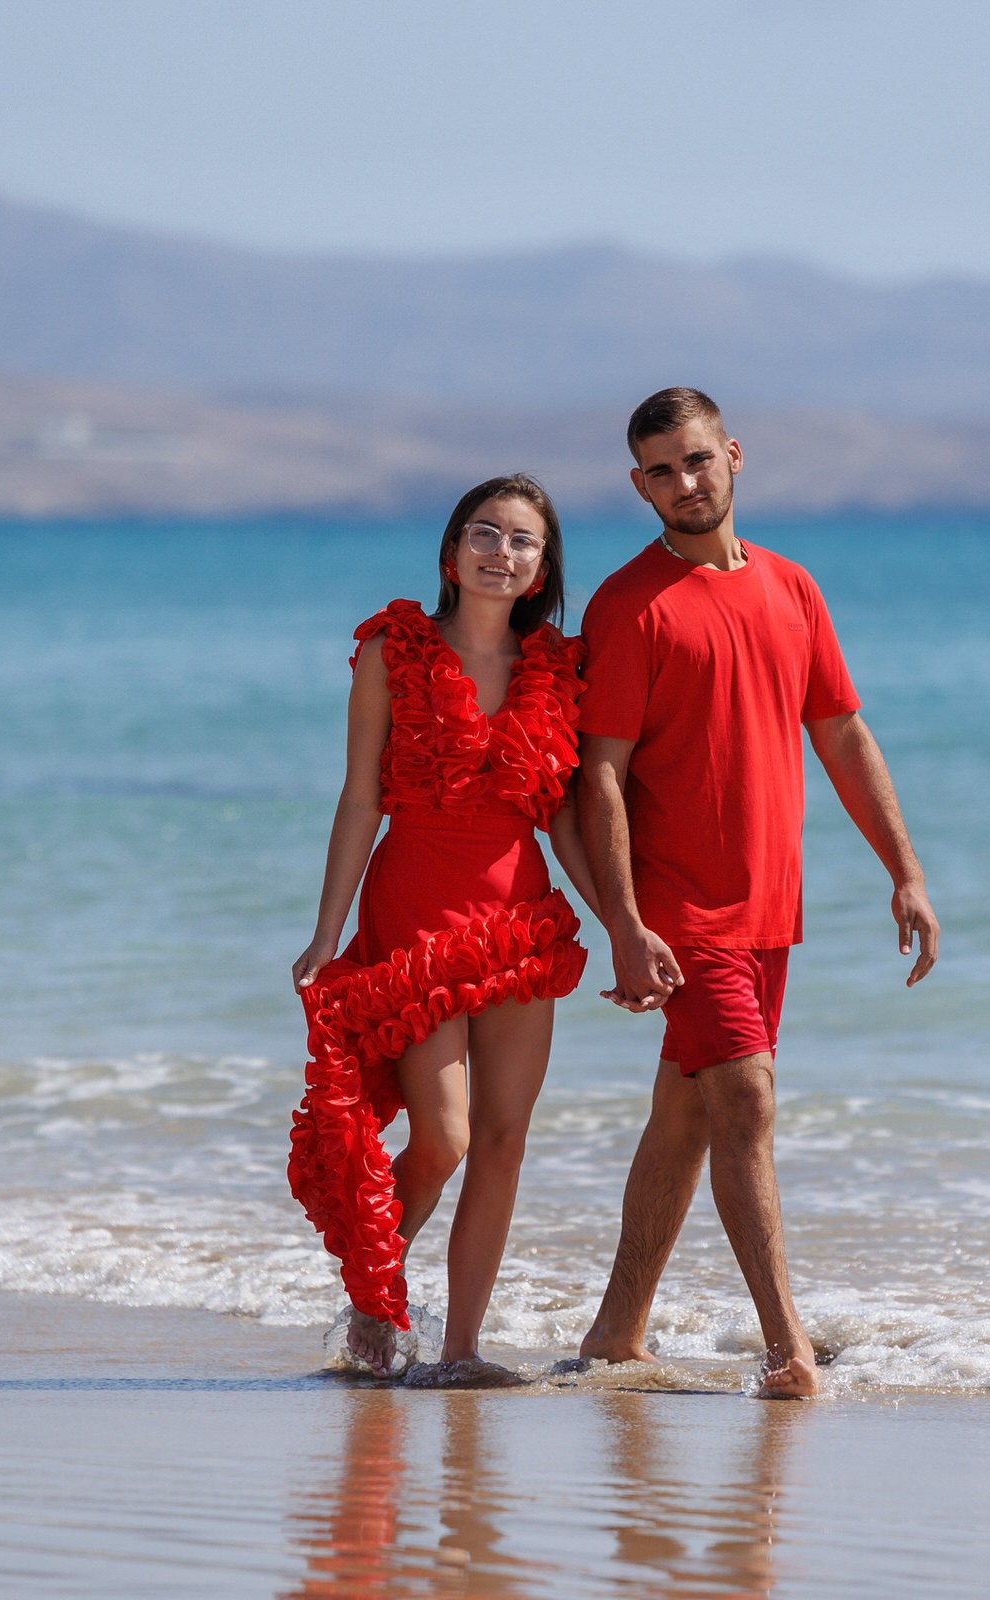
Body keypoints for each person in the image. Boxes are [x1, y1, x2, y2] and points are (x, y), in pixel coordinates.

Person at [571, 388, 939, 1398]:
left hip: (771, 904)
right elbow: (598, 770)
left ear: (733, 454)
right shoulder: (629, 605)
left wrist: (902, 868)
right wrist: (626, 921)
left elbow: (842, 733)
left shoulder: (792, 587)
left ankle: (615, 1330)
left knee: (687, 1115)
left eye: (695, 460)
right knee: (746, 1102)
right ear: (638, 484)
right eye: (659, 470)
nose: (683, 484)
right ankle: (790, 1351)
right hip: (683, 910)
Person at [288, 474, 599, 1381]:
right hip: (416, 905)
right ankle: (376, 1299)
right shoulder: (396, 651)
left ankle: (460, 1350)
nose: (502, 552)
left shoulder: (558, 669)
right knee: (449, 1136)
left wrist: (623, 924)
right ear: (450, 554)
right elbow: (358, 797)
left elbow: (569, 822)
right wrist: (326, 930)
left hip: (519, 915)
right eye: (485, 534)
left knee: (504, 1139)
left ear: (543, 570)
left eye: (523, 542)